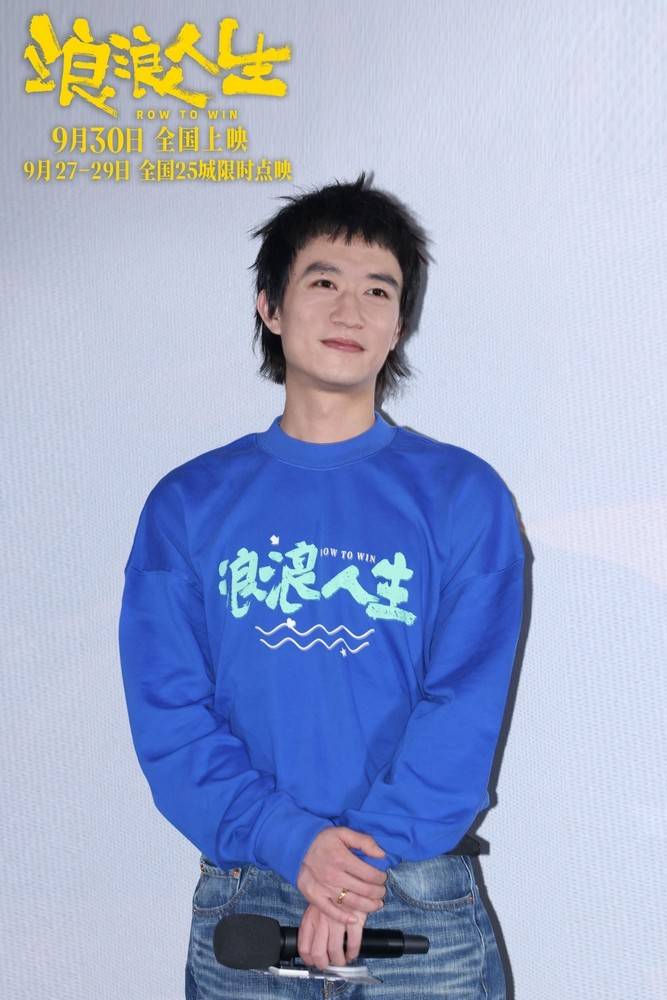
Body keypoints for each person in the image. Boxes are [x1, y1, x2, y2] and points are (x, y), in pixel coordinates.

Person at [118, 173, 526, 999]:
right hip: (248, 886)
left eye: (378, 290)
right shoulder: (188, 504)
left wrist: (357, 858)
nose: (351, 310)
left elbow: (464, 704)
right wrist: (290, 840)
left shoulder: (462, 497)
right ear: (270, 306)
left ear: (399, 323)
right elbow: (169, 715)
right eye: (323, 282)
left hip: (413, 887)